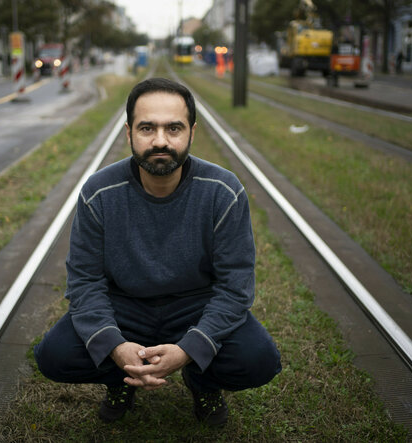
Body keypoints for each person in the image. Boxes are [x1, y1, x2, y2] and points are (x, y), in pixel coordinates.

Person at [34, 77, 282, 426]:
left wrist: (188, 350)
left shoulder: (223, 192)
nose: (161, 141)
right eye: (147, 128)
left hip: (196, 305)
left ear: (192, 133)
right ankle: (122, 380)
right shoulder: (98, 192)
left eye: (174, 128)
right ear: (129, 133)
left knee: (259, 359)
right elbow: (85, 282)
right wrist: (116, 347)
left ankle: (203, 381)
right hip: (124, 306)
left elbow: (235, 288)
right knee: (54, 356)